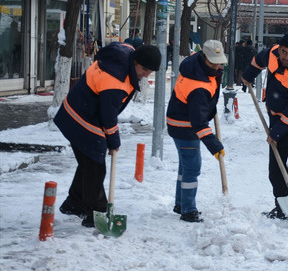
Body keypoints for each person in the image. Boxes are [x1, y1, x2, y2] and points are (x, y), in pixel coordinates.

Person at [55, 42, 161, 227]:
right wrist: (113, 142)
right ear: (135, 61)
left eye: (150, 72)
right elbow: (108, 115)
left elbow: (128, 43)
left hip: (79, 110)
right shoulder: (116, 79)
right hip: (81, 117)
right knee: (95, 166)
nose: (146, 75)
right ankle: (97, 214)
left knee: (89, 162)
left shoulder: (125, 55)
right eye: (144, 69)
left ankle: (75, 203)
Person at [241, 30, 288, 219]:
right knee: (276, 167)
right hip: (276, 117)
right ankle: (282, 207)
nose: (286, 57)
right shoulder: (272, 54)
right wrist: (248, 75)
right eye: (284, 52)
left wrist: (276, 133)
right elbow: (258, 60)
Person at [166, 39, 227, 223]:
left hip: (180, 121)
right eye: (212, 62)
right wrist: (214, 145)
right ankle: (188, 210)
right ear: (203, 57)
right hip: (184, 126)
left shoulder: (197, 67)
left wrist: (210, 105)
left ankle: (180, 203)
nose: (216, 66)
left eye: (219, 62)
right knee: (192, 168)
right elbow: (198, 123)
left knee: (185, 167)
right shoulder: (197, 85)